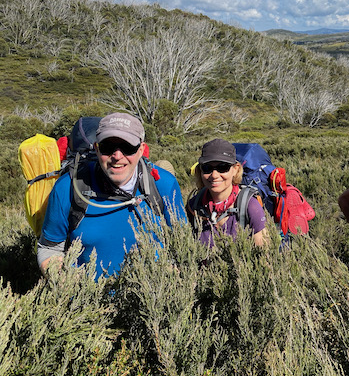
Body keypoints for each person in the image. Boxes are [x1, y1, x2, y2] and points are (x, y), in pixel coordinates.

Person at [37, 112, 186, 277]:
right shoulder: (68, 187)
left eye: (128, 147)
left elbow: (182, 244)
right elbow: (50, 247)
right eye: (108, 147)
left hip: (151, 297)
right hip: (87, 298)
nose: (117, 156)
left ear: (141, 149)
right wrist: (63, 280)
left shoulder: (163, 184)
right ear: (96, 148)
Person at [186, 138, 268, 247]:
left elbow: (265, 256)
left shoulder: (249, 206)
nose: (214, 175)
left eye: (222, 167)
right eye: (207, 168)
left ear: (235, 169)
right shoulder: (193, 207)